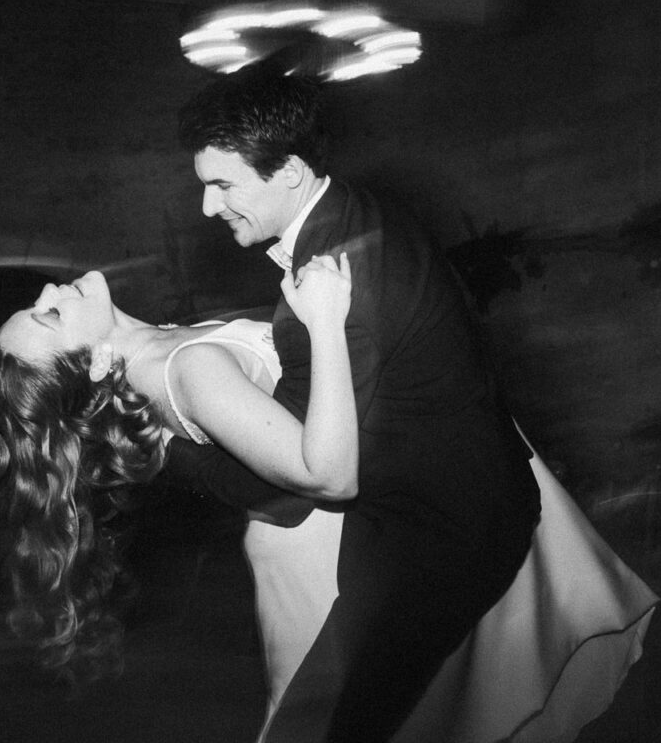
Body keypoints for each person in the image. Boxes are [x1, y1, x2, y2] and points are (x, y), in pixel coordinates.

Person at [167, 66, 544, 742]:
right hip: (419, 510)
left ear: (288, 171)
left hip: (447, 535)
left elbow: (299, 477)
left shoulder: (341, 277)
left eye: (222, 184)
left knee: (353, 726)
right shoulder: (346, 215)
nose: (206, 206)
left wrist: (168, 441)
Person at [0, 260, 356, 699]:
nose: (51, 290)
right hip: (329, 568)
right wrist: (326, 321)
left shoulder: (163, 348)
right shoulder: (188, 370)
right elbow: (330, 476)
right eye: (51, 314)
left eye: (37, 301)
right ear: (96, 363)